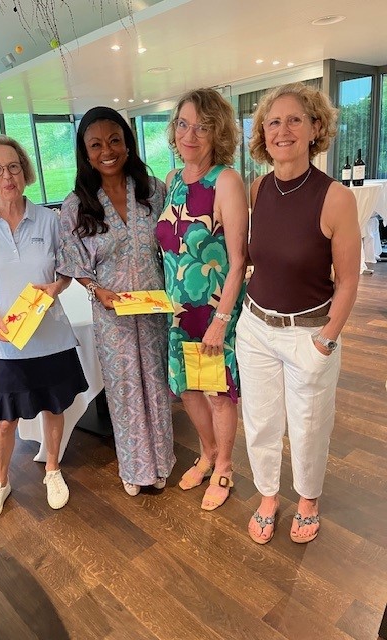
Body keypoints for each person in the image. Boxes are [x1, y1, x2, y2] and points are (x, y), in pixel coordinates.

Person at [236, 82, 360, 544]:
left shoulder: (335, 198)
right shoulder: (258, 188)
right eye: (273, 122)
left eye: (294, 120)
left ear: (315, 128)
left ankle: (308, 500)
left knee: (309, 426)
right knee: (261, 422)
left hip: (308, 332)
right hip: (255, 327)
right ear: (262, 134)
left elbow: (348, 281)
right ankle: (268, 495)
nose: (282, 130)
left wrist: (326, 339)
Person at [0, 134, 88, 525]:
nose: (7, 176)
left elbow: (66, 271)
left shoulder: (49, 220)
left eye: (13, 167)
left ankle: (53, 469)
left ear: (24, 171)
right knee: (4, 420)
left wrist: (56, 288)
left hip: (50, 336)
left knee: (55, 407)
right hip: (6, 342)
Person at [57, 106, 175, 496]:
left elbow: (172, 244)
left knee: (156, 383)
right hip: (112, 314)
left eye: (114, 140)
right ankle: (135, 468)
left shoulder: (153, 190)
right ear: (85, 152)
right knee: (124, 391)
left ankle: (161, 461)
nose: (107, 150)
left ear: (127, 143)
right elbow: (75, 263)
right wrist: (96, 290)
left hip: (154, 309)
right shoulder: (76, 205)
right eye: (96, 145)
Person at [156, 88, 249, 511]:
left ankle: (225, 464)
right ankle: (207, 453)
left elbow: (239, 260)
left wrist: (221, 320)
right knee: (188, 389)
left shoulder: (226, 181)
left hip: (213, 310)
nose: (189, 135)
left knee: (217, 392)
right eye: (183, 124)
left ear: (218, 133)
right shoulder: (173, 180)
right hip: (177, 312)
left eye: (202, 127)